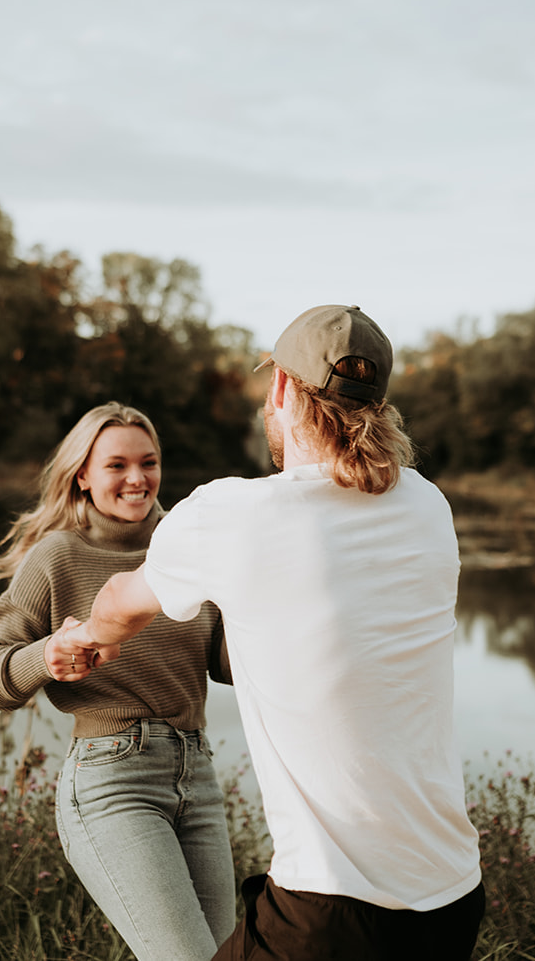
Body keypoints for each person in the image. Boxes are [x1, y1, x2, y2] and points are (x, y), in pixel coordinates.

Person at [68, 306, 484, 961]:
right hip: (453, 897)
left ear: (282, 391)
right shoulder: (429, 506)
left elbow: (121, 599)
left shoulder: (234, 515)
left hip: (330, 914)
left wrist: (91, 634)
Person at [0, 402, 236, 961]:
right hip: (114, 781)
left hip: (199, 774)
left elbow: (224, 662)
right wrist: (47, 655)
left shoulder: (187, 553)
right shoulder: (58, 556)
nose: (137, 478)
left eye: (149, 462)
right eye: (117, 465)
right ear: (82, 475)